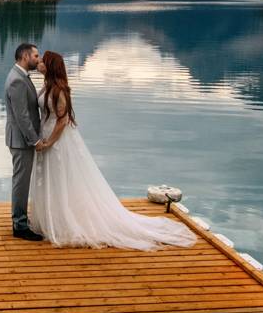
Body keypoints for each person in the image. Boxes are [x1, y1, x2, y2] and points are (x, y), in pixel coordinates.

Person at [30, 50, 196, 250]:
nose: (39, 63)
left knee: (62, 178)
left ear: (50, 66)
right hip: (46, 136)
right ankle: (52, 218)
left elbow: (62, 120)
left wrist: (49, 142)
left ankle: (65, 221)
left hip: (57, 142)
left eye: (42, 61)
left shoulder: (59, 89)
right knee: (52, 180)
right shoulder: (46, 86)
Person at [3, 42, 44, 241]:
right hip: (21, 141)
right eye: (36, 56)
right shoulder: (17, 80)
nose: (38, 59)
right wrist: (35, 141)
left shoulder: (20, 76)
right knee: (21, 182)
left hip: (22, 139)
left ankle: (20, 221)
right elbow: (22, 116)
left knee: (22, 180)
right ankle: (19, 225)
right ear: (25, 56)